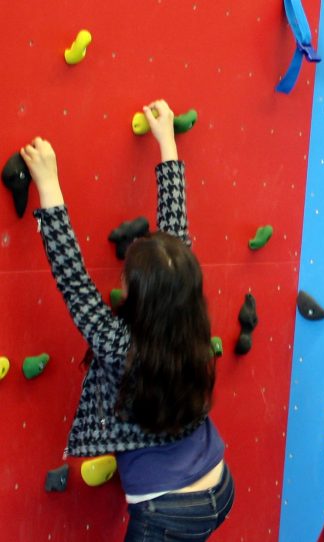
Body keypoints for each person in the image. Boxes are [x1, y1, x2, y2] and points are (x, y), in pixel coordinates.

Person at [22, 100, 234, 541]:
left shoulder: (121, 345)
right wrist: (167, 145)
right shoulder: (191, 320)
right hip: (219, 486)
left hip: (167, 515)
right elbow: (176, 239)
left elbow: (73, 280)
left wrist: (48, 182)